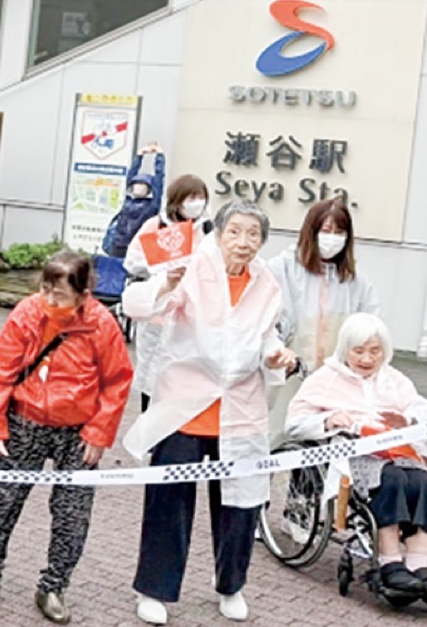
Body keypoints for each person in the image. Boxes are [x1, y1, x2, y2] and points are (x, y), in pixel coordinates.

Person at [123, 201, 297, 625]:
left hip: (239, 410)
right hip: (186, 405)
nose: (243, 242)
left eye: (253, 234)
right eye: (234, 231)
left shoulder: (266, 283)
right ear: (218, 235)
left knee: (241, 506)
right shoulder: (192, 267)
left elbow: (266, 336)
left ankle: (231, 585)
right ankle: (155, 590)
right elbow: (136, 304)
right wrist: (165, 286)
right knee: (169, 502)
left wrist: (276, 355)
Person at [0, 250, 133, 624]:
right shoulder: (26, 313)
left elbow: (117, 380)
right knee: (1, 501)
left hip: (78, 428)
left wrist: (100, 432)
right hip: (26, 419)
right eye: (46, 291)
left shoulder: (101, 325)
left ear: (83, 295)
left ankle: (54, 586)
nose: (51, 301)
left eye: (61, 295)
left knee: (73, 512)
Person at [287, 312, 427, 596]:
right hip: (354, 457)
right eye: (359, 351)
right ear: (345, 349)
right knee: (392, 480)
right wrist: (327, 420)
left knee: (421, 480)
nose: (367, 359)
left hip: (397, 450)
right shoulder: (326, 378)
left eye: (375, 351)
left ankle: (418, 559)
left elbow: (419, 407)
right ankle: (389, 559)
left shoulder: (393, 379)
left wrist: (408, 421)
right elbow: (294, 422)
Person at [268, 199, 379, 441]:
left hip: (334, 379)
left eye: (339, 232)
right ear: (311, 231)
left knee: (324, 443)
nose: (332, 238)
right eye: (325, 231)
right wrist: (278, 349)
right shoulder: (282, 268)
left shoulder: (355, 280)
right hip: (289, 372)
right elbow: (264, 318)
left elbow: (369, 325)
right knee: (274, 438)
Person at [122, 171, 214, 409]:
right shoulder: (156, 225)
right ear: (177, 200)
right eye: (190, 197)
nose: (196, 203)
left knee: (182, 375)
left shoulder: (209, 230)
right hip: (158, 311)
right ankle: (147, 428)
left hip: (192, 315)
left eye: (200, 197)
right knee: (150, 373)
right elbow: (132, 261)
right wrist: (160, 267)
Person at [101, 143, 165, 259]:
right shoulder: (128, 200)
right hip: (119, 244)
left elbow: (159, 181)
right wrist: (139, 156)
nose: (138, 187)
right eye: (136, 184)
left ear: (148, 189)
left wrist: (159, 157)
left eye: (143, 185)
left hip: (138, 246)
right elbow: (130, 175)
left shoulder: (152, 205)